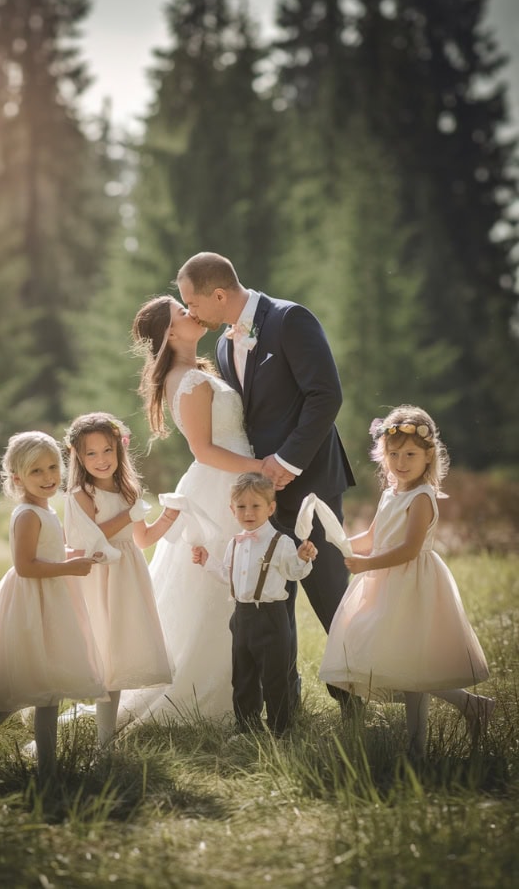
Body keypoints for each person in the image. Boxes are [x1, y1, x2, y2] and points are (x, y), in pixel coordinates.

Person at [176, 251, 356, 712]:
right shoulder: (220, 346)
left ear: (219, 295)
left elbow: (326, 394)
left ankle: (356, 697)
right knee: (272, 603)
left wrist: (289, 461)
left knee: (331, 592)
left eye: (192, 304)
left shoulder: (290, 319)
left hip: (310, 481)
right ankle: (283, 705)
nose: (191, 313)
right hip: (259, 498)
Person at [115, 295, 264, 727]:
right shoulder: (191, 381)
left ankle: (242, 688)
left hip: (227, 480)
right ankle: (210, 695)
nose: (191, 312)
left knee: (223, 584)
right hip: (222, 485)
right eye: (182, 311)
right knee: (220, 585)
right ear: (169, 332)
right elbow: (204, 450)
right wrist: (261, 469)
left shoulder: (192, 372)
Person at [319, 405, 495, 756]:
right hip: (384, 584)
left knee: (412, 665)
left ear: (429, 456)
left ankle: (421, 745)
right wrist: (334, 546)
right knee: (403, 663)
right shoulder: (390, 494)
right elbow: (372, 535)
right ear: (383, 456)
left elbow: (408, 549)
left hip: (411, 586)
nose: (401, 462)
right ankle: (469, 709)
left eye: (411, 454)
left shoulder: (422, 498)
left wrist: (367, 563)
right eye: (394, 454)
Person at [0, 431, 106, 783]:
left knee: (48, 690)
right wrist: (69, 568)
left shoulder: (45, 509)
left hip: (49, 602)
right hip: (31, 604)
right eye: (36, 471)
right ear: (17, 478)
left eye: (53, 467)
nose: (48, 477)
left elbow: (46, 554)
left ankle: (49, 771)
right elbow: (26, 566)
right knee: (14, 694)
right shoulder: (27, 514)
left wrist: (73, 556)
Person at [62, 412, 176, 746]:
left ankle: (105, 740)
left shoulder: (129, 489)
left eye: (107, 450)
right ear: (79, 457)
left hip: (127, 577)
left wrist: (168, 517)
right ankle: (97, 738)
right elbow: (87, 540)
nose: (101, 460)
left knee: (118, 653)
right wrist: (129, 514)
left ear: (119, 449)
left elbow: (140, 539)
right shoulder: (81, 494)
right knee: (100, 651)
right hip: (98, 577)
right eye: (91, 453)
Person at [192, 473, 317, 737]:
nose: (248, 512)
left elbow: (294, 572)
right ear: (232, 509)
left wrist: (303, 558)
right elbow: (228, 575)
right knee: (243, 677)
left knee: (274, 678)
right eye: (241, 507)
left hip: (271, 616)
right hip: (242, 616)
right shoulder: (235, 543)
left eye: (256, 506)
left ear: (271, 508)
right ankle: (247, 728)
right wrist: (207, 561)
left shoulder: (281, 542)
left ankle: (280, 730)